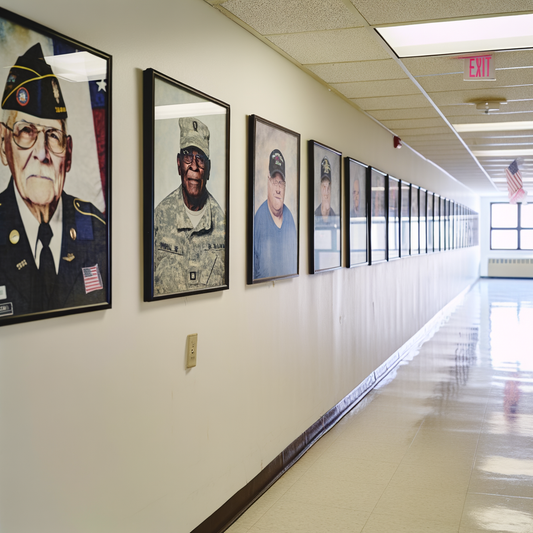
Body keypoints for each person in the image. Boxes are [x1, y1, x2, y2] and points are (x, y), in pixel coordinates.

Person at [0, 43, 107, 318]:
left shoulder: (97, 230)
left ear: (67, 154)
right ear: (4, 145)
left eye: (53, 136)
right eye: (26, 132)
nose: (42, 153)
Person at [154, 117, 225, 294]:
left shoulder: (223, 224)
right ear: (179, 164)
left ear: (208, 169)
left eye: (200, 159)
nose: (193, 166)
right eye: (187, 156)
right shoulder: (159, 217)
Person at [253, 149, 297, 280]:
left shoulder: (290, 219)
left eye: (281, 183)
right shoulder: (258, 220)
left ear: (285, 186)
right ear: (268, 181)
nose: (278, 189)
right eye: (274, 182)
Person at [314, 156, 336, 223]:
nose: (326, 192)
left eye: (328, 187)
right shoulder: (314, 216)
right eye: (324, 186)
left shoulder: (335, 218)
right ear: (320, 187)